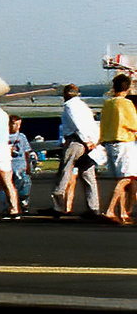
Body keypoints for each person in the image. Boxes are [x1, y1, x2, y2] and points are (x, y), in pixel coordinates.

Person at [50, 84, 102, 219]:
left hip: (77, 141)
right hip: (89, 141)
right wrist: (94, 141)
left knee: (65, 171)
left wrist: (86, 140)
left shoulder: (70, 106)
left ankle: (58, 205)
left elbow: (78, 124)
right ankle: (93, 207)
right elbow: (91, 124)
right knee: (88, 175)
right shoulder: (83, 106)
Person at [100, 74, 137, 225]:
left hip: (109, 142)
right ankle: (109, 209)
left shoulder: (108, 104)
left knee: (120, 178)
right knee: (126, 178)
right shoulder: (126, 104)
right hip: (124, 142)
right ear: (127, 88)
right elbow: (133, 124)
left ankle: (122, 213)